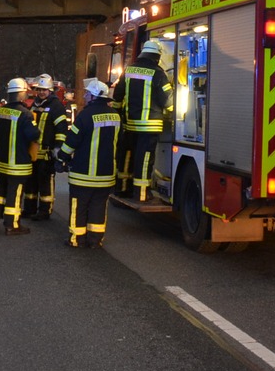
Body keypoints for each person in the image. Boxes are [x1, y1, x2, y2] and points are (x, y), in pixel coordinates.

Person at [58, 79, 121, 248]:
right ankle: (95, 240)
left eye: (87, 93)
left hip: (83, 174)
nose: (84, 96)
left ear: (94, 97)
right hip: (106, 175)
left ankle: (77, 239)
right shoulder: (115, 115)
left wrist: (61, 158)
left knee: (79, 207)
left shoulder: (85, 116)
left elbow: (72, 142)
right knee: (99, 207)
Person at [112, 40, 172, 202]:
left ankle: (122, 188)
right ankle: (142, 193)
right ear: (157, 57)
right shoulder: (158, 73)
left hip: (130, 124)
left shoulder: (129, 70)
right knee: (144, 160)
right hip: (149, 126)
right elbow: (168, 101)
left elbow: (117, 95)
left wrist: (119, 114)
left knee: (127, 156)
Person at [0, 77, 39, 235]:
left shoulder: (0, 111)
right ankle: (12, 225)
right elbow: (33, 134)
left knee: (0, 191)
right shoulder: (25, 114)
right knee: (15, 193)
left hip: (2, 161)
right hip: (18, 162)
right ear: (21, 94)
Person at [30, 73, 69, 220]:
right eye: (39, 89)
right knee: (31, 181)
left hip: (47, 151)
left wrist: (58, 148)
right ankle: (30, 208)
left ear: (50, 90)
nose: (41, 92)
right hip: (33, 151)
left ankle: (44, 211)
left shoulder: (56, 106)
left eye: (44, 90)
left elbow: (61, 129)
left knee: (45, 182)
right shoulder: (35, 104)